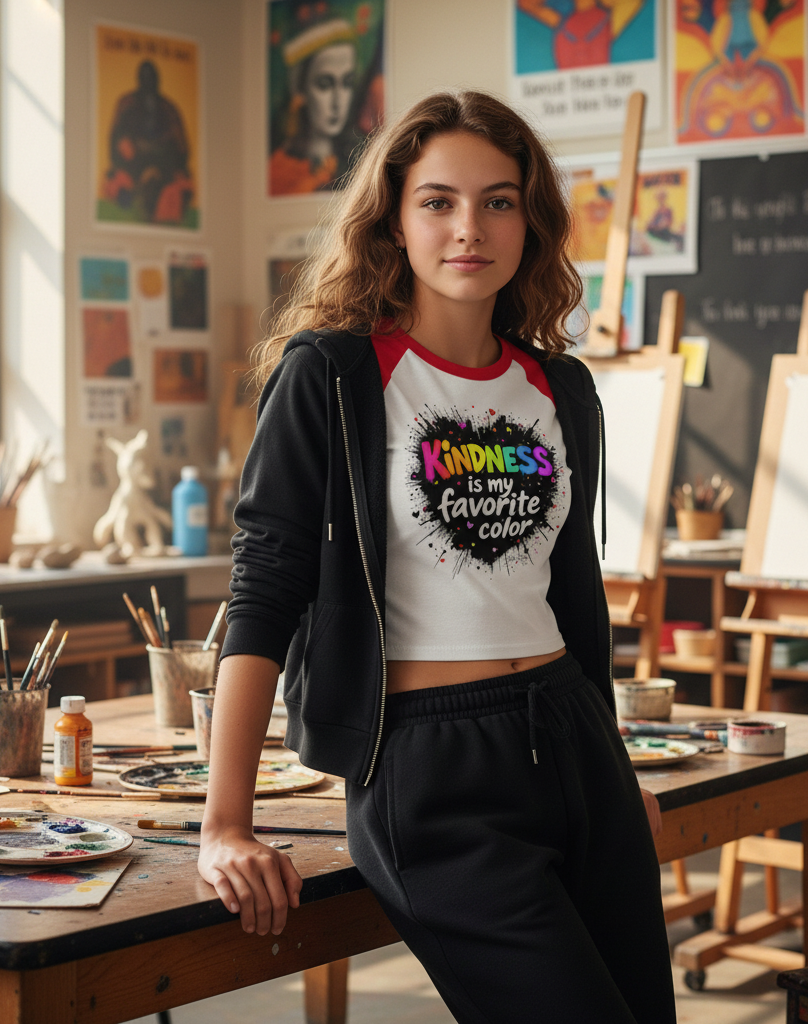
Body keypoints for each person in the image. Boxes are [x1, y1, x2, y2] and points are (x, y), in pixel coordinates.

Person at [200, 90, 677, 1024]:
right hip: (431, 770)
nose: (470, 227)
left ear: (530, 223)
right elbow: (264, 593)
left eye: (499, 201)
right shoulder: (333, 375)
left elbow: (571, 596)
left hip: (575, 741)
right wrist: (226, 823)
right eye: (439, 201)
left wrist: (611, 763)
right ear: (394, 220)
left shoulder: (560, 387)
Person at [269, 19, 362, 196]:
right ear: (300, 88)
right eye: (325, 85)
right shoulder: (279, 169)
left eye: (347, 83)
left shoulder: (362, 160)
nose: (338, 101)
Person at [102, 59, 194, 224]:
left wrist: (164, 159)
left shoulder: (169, 108)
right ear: (139, 80)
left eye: (152, 78)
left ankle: (160, 196)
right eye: (145, 78)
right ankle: (130, 193)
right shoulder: (126, 103)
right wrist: (129, 149)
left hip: (164, 165)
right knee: (116, 182)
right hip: (132, 164)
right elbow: (115, 138)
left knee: (180, 187)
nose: (148, 82)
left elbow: (182, 146)